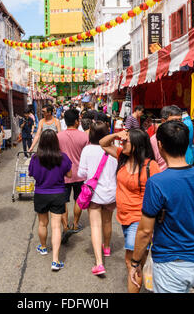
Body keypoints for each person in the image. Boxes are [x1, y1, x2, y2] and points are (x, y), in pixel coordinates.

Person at [130, 120, 194, 293]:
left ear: (159, 145)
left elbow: (145, 231)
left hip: (170, 264)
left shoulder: (157, 183)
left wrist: (135, 261)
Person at [99, 127, 160, 292]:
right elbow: (103, 143)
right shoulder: (122, 156)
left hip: (139, 219)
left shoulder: (150, 166)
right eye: (123, 140)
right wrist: (116, 134)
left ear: (137, 145)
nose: (122, 142)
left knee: (131, 262)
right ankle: (146, 284)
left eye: (126, 141)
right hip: (124, 217)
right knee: (141, 259)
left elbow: (159, 193)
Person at [28, 129, 72, 271]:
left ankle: (43, 247)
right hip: (58, 193)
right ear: (55, 142)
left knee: (42, 223)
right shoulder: (63, 157)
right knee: (55, 226)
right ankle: (55, 260)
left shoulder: (35, 158)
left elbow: (32, 174)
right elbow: (70, 175)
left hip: (41, 193)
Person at [78, 122, 118, 276]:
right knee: (107, 221)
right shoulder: (114, 149)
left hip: (94, 193)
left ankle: (99, 263)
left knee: (95, 226)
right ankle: (106, 248)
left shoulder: (87, 150)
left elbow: (82, 173)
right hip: (111, 192)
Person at [57, 109, 89, 243]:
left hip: (63, 174)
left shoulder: (58, 136)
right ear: (77, 121)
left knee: (63, 201)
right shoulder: (84, 136)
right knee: (78, 199)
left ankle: (65, 227)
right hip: (79, 174)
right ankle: (75, 224)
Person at [150, 105, 182, 171]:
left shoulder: (181, 136)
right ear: (163, 121)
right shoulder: (154, 140)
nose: (178, 124)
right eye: (174, 120)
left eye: (180, 120)